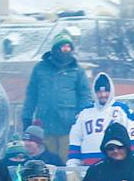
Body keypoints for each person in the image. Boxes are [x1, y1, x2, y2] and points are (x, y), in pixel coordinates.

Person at [20, 35, 90, 163]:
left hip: (69, 126)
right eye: (63, 46)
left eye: (69, 47)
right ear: (56, 48)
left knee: (68, 162)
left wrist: (83, 116)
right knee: (48, 161)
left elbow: (85, 95)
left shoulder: (77, 70)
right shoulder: (40, 68)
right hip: (45, 124)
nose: (66, 50)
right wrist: (27, 117)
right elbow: (31, 95)